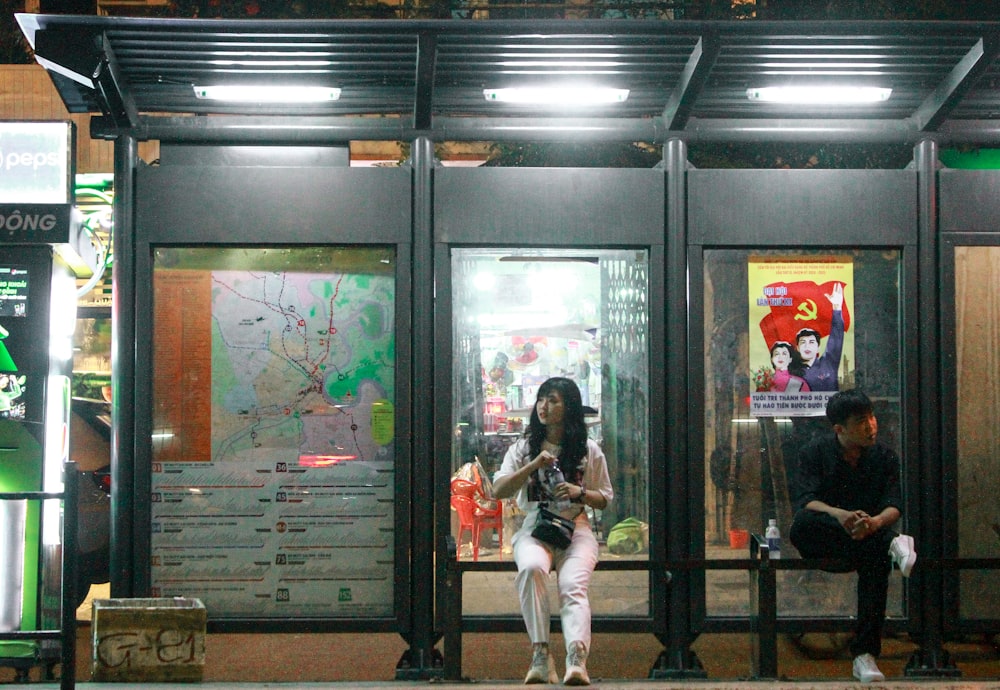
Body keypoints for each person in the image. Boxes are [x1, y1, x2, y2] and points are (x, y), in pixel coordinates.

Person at [789, 389, 917, 683]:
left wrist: (874, 523)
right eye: (861, 421)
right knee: (803, 524)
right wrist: (840, 516)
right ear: (839, 429)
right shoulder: (814, 452)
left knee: (876, 563)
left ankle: (865, 655)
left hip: (868, 538)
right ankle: (893, 544)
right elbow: (806, 500)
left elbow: (894, 505)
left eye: (872, 418)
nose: (871, 426)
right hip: (830, 540)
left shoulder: (884, 457)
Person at [493, 377, 613, 686]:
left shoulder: (588, 450)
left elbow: (605, 499)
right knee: (532, 569)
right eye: (542, 399)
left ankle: (577, 659)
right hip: (535, 525)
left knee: (573, 584)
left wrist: (579, 492)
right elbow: (498, 490)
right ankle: (541, 654)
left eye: (554, 400)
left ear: (569, 406)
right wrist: (532, 466)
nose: (545, 406)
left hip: (577, 527)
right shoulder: (522, 447)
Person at [795, 282, 845, 391]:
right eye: (803, 342)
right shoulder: (792, 371)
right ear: (797, 348)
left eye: (811, 342)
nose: (807, 346)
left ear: (818, 346)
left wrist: (837, 308)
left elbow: (836, 337)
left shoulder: (828, 363)